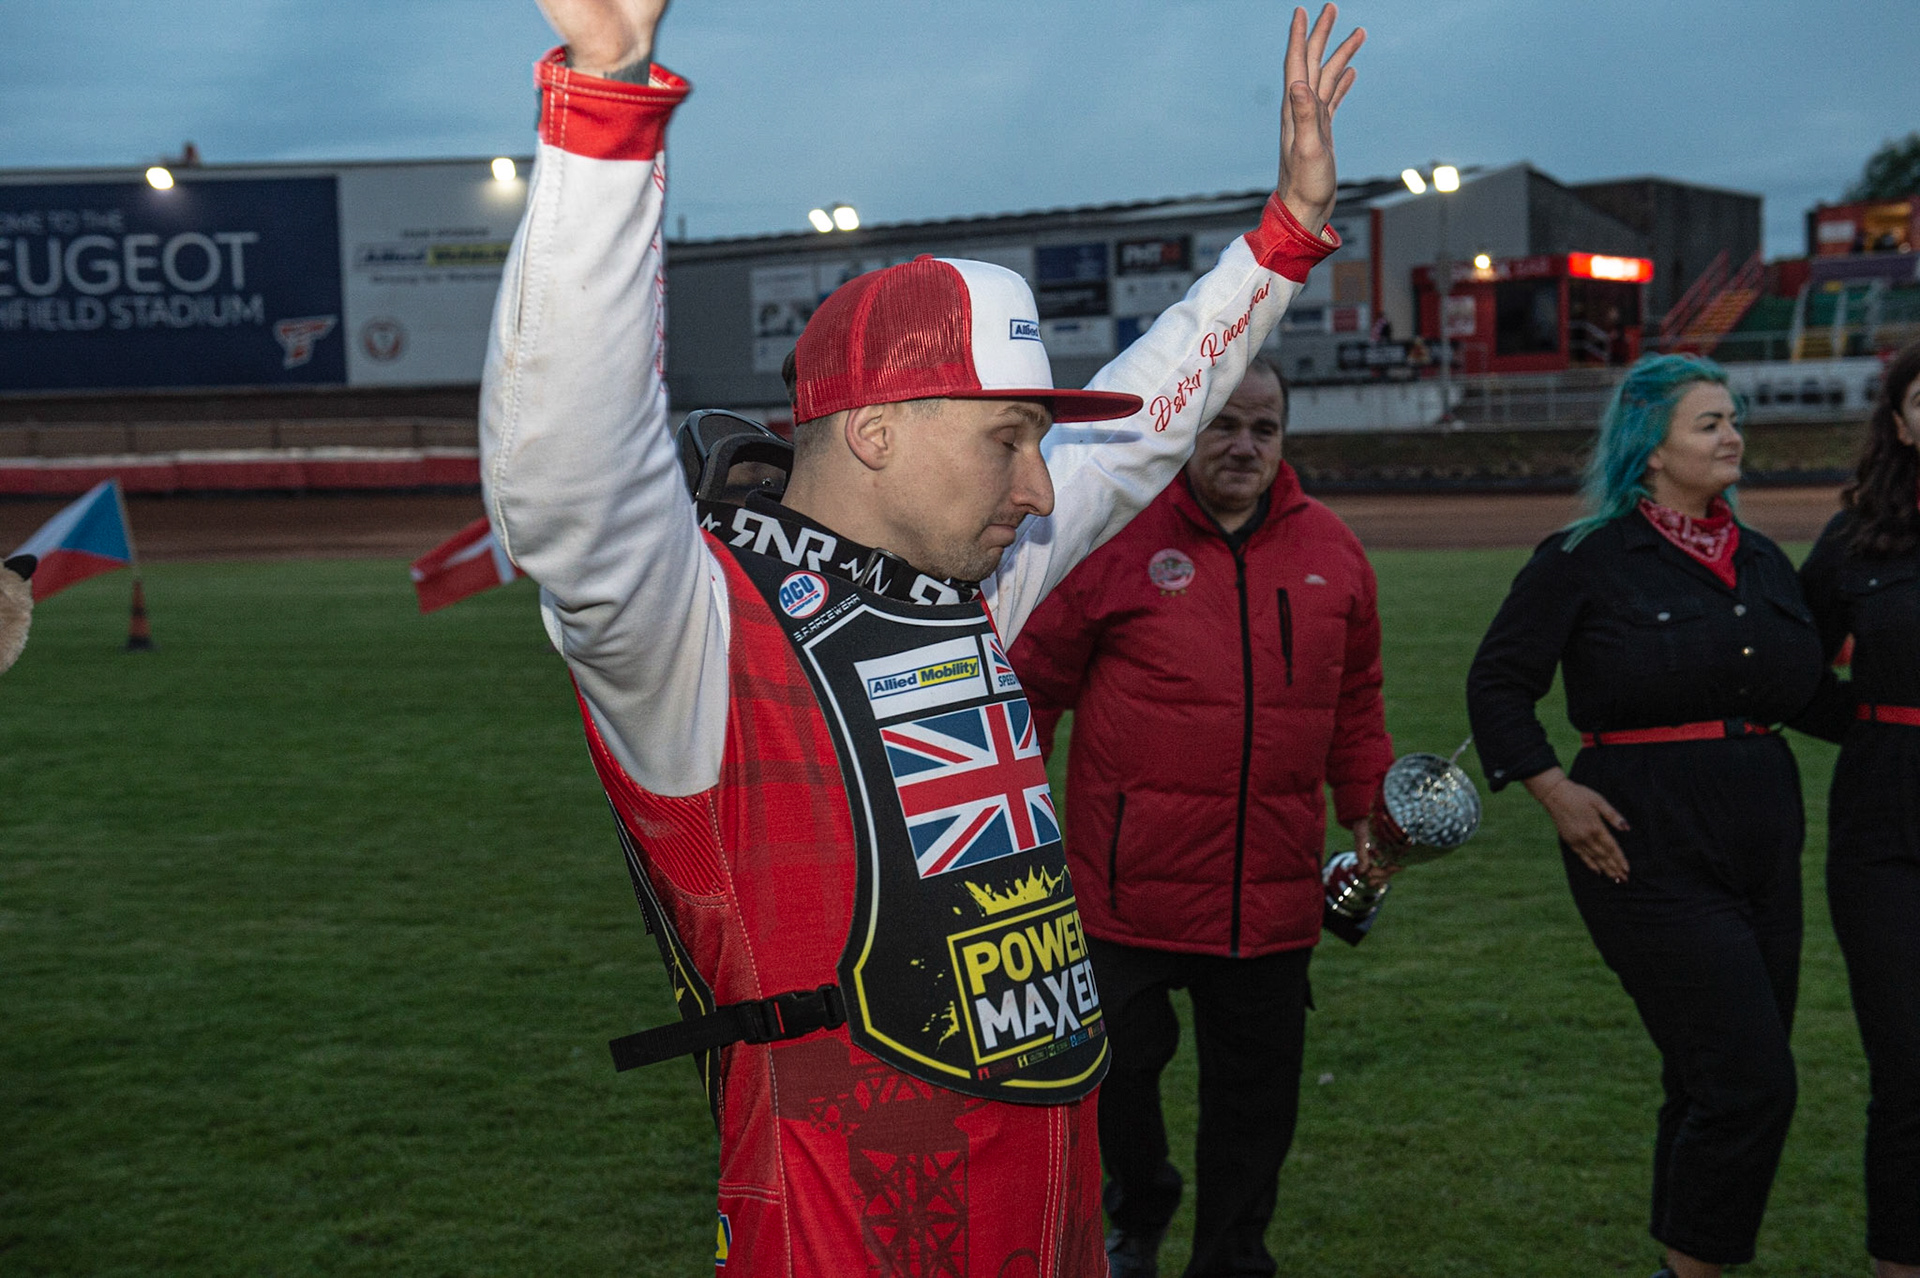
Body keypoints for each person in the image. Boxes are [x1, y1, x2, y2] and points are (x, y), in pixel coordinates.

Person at [480, 1, 1364, 1272]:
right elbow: (566, 486)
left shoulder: (968, 583)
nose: (1043, 489)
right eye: (1010, 440)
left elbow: (1144, 426)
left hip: (1053, 1227)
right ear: (878, 429)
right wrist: (605, 103)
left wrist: (1283, 238)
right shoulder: (699, 636)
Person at [1008, 356, 1393, 1278]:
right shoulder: (1113, 538)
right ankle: (1138, 1209)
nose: (1245, 446)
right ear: (1189, 431)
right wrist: (1012, 822)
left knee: (1255, 1106)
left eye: (1266, 428)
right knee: (1113, 1076)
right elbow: (1033, 690)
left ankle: (1231, 1259)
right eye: (1226, 425)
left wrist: (1369, 817)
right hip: (1124, 891)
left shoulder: (1334, 552)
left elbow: (1357, 704)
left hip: (1270, 897)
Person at [1465, 354, 1846, 1278]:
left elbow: (1809, 699)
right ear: (1652, 447)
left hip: (1763, 848)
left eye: (1734, 419)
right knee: (1751, 1084)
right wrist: (1554, 791)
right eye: (1710, 423)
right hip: (1643, 849)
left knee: (1707, 1078)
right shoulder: (1583, 559)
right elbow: (1499, 685)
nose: (1734, 436)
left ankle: (1682, 1261)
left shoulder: (1762, 560)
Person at [1797, 338, 1920, 1278]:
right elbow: (1792, 666)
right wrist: (1876, 729)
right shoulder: (1857, 538)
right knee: (1908, 1073)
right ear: (1901, 424)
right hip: (1885, 834)